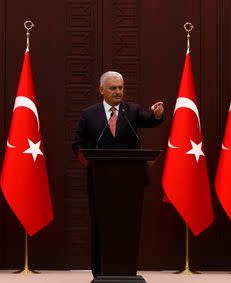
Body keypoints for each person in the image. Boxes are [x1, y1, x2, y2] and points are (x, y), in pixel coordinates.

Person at [72, 71, 164, 278]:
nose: (118, 92)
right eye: (113, 88)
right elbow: (77, 145)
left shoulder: (132, 111)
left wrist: (157, 115)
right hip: (100, 182)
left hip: (129, 183)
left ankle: (127, 272)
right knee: (100, 226)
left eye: (121, 87)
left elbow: (149, 120)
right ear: (101, 90)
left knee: (127, 225)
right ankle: (100, 273)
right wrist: (89, 164)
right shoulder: (89, 114)